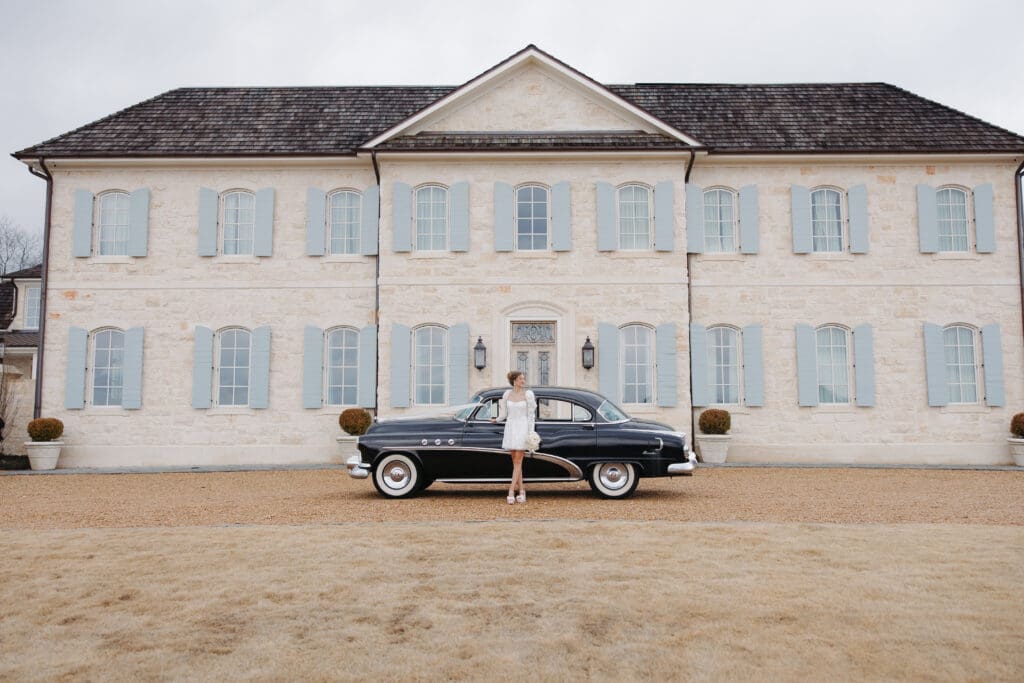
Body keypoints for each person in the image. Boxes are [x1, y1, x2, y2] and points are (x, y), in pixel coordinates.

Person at [492, 370, 536, 504]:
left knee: (518, 461)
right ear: (514, 381)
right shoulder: (507, 394)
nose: (523, 381)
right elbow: (504, 414)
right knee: (516, 462)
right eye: (521, 379)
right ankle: (522, 490)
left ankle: (511, 491)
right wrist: (496, 419)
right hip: (510, 427)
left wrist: (530, 433)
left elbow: (531, 416)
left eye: (524, 378)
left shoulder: (528, 394)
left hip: (523, 427)